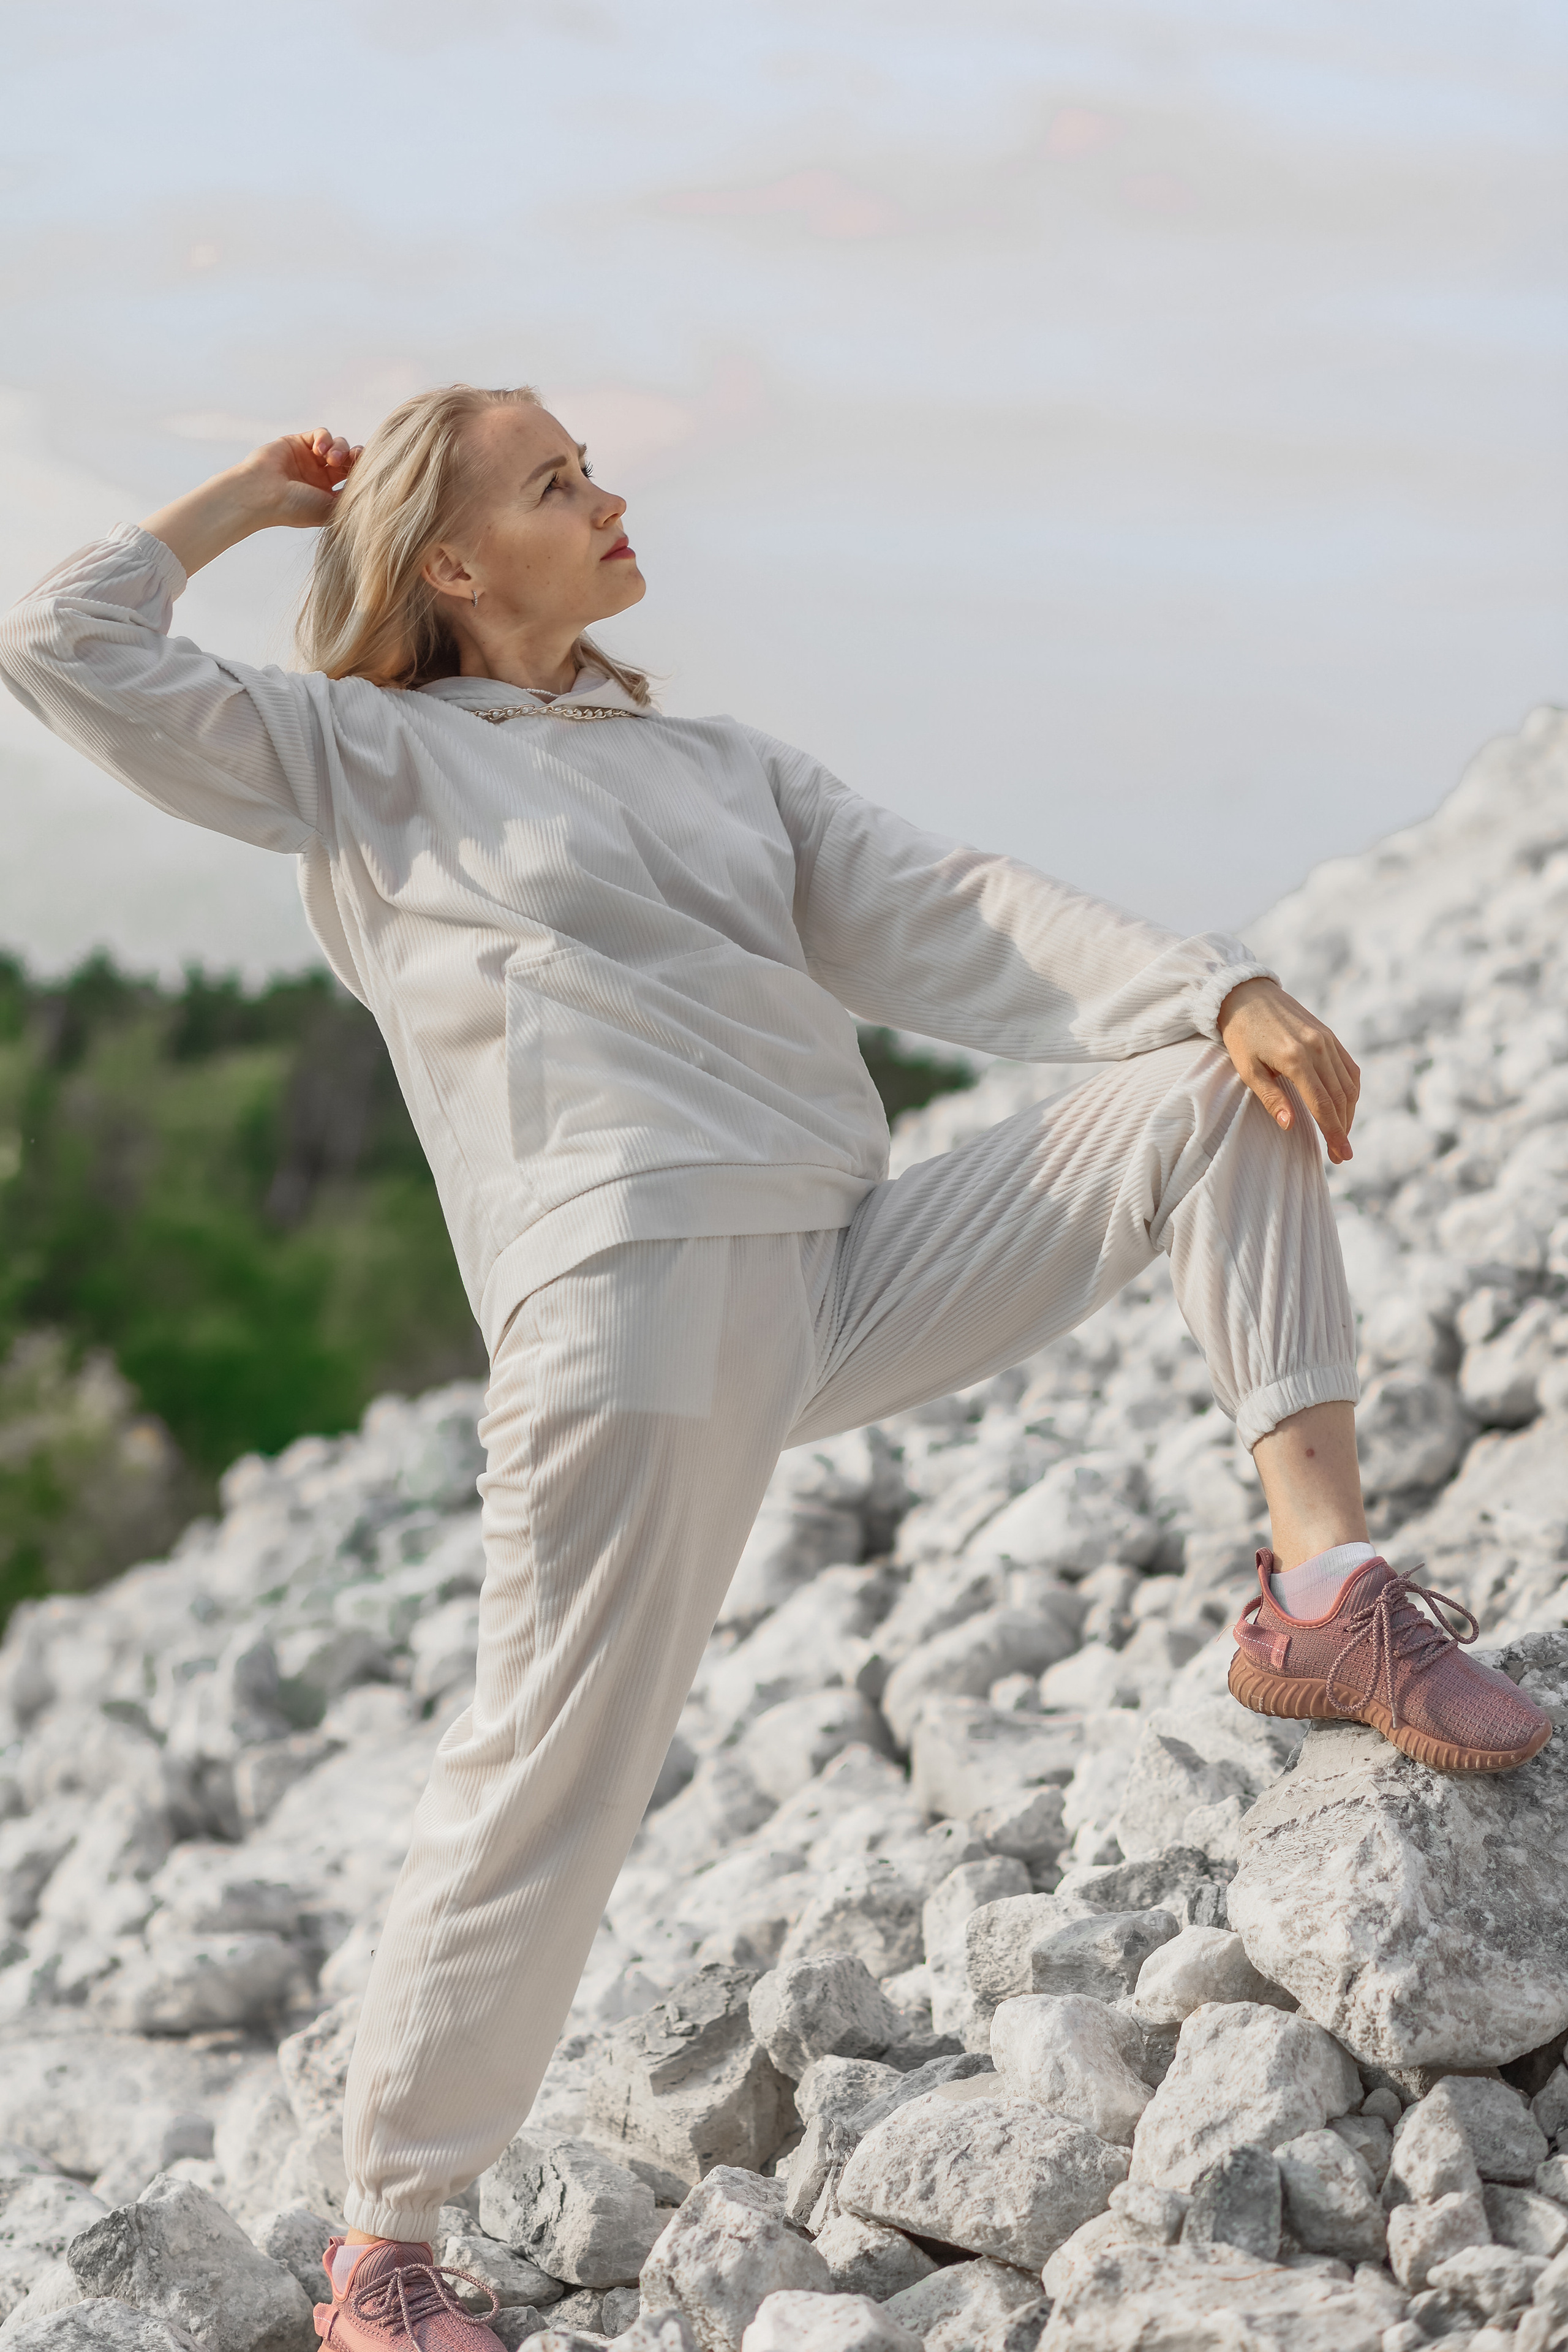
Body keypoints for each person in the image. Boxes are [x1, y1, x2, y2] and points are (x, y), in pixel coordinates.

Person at [1, 385, 1547, 2350]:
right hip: (624, 1311)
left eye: (594, 466)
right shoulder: (363, 757)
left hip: (838, 1262)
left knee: (1201, 1097)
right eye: (559, 483)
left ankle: (1322, 1590)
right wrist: (248, 500)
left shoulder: (722, 768)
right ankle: (384, 2245)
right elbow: (64, 646)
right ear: (454, 567)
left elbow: (955, 904)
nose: (612, 494)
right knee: (554, 1765)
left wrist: (1217, 984)